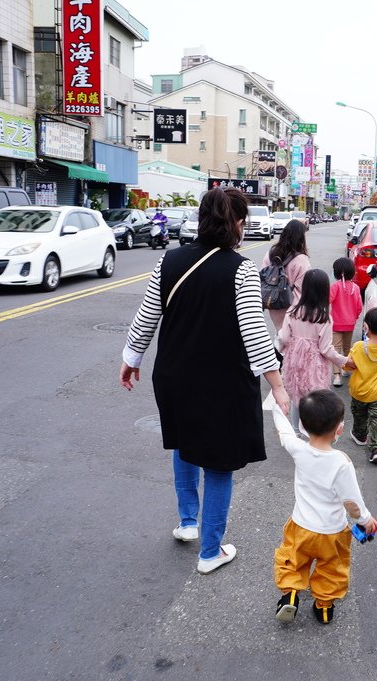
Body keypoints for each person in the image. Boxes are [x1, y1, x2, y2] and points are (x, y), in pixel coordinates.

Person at [120, 187, 290, 575]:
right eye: (242, 220)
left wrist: (131, 359)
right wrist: (277, 385)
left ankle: (188, 523)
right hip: (220, 383)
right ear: (236, 224)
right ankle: (210, 551)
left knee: (184, 443)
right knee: (218, 462)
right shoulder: (242, 269)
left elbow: (147, 317)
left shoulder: (169, 260)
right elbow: (254, 333)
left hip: (174, 378)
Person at [271, 389, 377, 625]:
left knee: (293, 560)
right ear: (339, 429)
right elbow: (351, 502)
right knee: (332, 568)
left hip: (300, 526)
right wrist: (366, 520)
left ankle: (290, 594)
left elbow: (284, 432)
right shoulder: (341, 463)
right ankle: (324, 606)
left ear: (302, 423)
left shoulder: (299, 449)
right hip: (332, 533)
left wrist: (278, 406)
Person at [278, 269, 353, 434]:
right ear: (324, 290)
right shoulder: (324, 317)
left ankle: (295, 431)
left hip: (294, 362)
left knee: (296, 398)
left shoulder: (292, 312)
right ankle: (314, 432)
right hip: (314, 365)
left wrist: (283, 349)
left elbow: (283, 338)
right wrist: (343, 360)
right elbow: (326, 349)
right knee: (315, 398)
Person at [347, 308, 377, 465]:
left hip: (359, 391)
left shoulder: (359, 347)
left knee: (359, 414)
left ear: (365, 326)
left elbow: (347, 367)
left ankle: (360, 435)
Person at [261, 219, 311, 332]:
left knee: (280, 333)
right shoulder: (301, 259)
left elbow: (263, 274)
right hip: (293, 306)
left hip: (273, 301)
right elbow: (305, 288)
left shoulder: (271, 252)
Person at [329, 257, 363, 388]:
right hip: (350, 323)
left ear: (338, 272)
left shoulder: (335, 287)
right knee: (347, 347)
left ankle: (337, 376)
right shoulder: (356, 287)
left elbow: (328, 301)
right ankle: (345, 368)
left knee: (335, 349)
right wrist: (354, 317)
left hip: (336, 323)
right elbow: (359, 306)